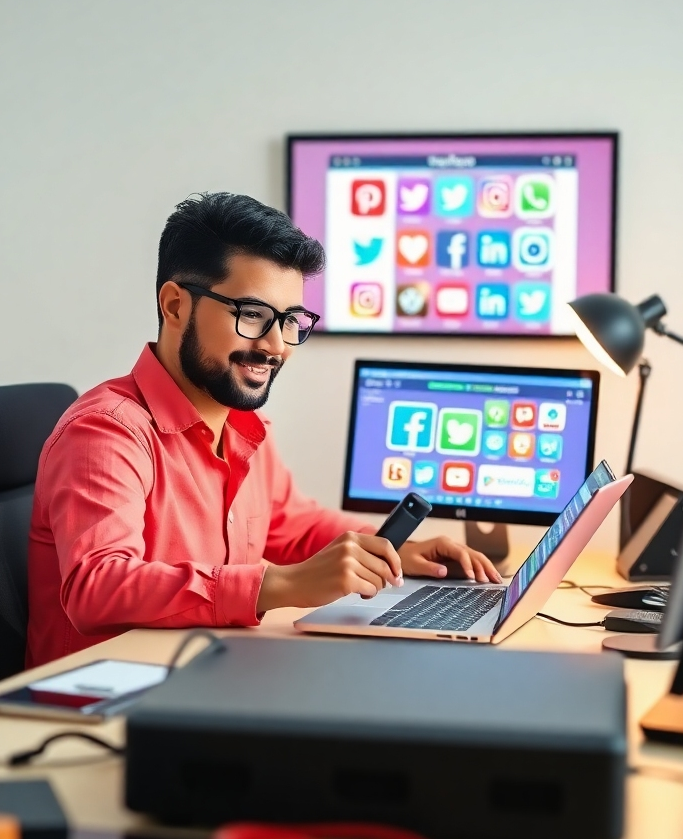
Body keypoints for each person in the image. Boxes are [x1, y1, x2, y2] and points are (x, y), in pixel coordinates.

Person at [26, 192, 499, 666]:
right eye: (252, 314)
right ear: (174, 306)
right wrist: (281, 583)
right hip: (111, 697)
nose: (276, 346)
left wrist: (391, 549)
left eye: (290, 320)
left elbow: (294, 528)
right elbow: (98, 587)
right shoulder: (106, 433)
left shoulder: (243, 427)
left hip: (216, 671)